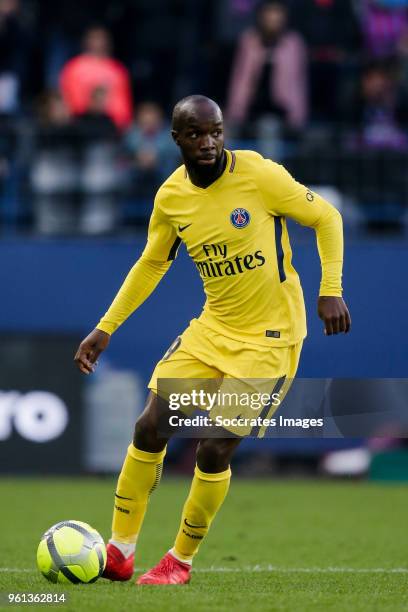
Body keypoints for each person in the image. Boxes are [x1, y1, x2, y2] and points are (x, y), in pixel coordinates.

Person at [74, 95, 351, 585]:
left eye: (216, 132)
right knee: (150, 427)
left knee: (212, 449)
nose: (209, 143)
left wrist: (331, 289)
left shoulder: (260, 175)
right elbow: (152, 263)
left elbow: (327, 218)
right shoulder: (171, 197)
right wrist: (106, 326)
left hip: (270, 339)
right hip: (213, 329)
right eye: (197, 134)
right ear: (177, 138)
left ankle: (179, 560)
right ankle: (119, 550)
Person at [226, 0, 308, 136]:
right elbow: (240, 79)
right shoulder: (249, 41)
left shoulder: (293, 44)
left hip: (282, 111)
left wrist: (297, 118)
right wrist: (234, 113)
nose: (273, 21)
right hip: (249, 110)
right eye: (269, 16)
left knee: (268, 127)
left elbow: (298, 84)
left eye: (277, 17)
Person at [60, 26, 133, 131]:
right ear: (86, 41)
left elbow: (123, 105)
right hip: (81, 124)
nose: (98, 42)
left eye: (101, 38)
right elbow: (69, 100)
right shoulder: (74, 67)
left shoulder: (118, 69)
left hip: (111, 127)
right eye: (94, 38)